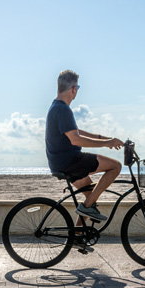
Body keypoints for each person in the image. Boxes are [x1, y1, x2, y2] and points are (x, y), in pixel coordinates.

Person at [45, 70, 124, 222]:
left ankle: (78, 233)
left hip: (60, 162)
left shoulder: (56, 106)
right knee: (116, 166)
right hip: (70, 161)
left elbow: (76, 132)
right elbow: (76, 139)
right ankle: (86, 207)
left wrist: (106, 139)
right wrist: (107, 143)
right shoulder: (63, 109)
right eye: (78, 88)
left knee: (91, 196)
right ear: (74, 89)